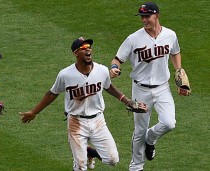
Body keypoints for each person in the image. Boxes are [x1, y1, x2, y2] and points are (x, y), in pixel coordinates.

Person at [20, 37, 147, 171]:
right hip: (76, 122)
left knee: (112, 160)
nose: (88, 51)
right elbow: (52, 93)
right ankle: (83, 156)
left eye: (89, 48)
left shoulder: (102, 70)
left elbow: (108, 87)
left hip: (98, 121)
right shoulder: (65, 75)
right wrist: (34, 112)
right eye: (83, 49)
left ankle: (89, 152)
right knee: (80, 166)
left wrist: (127, 101)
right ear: (76, 53)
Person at [110, 2, 189, 171]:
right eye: (142, 17)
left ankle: (150, 138)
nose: (144, 20)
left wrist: (179, 70)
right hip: (141, 89)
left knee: (169, 123)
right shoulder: (133, 39)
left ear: (157, 16)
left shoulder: (170, 35)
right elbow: (117, 59)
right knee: (139, 130)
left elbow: (175, 52)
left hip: (162, 88)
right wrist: (115, 68)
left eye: (147, 16)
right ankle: (136, 167)